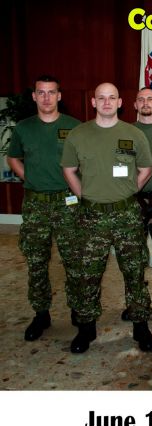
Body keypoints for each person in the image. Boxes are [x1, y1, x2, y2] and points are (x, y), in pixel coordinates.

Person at [61, 82, 152, 353]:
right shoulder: (79, 134)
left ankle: (140, 324)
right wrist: (83, 195)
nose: (106, 102)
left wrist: (129, 191)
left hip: (126, 215)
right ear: (93, 102)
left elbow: (146, 168)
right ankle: (86, 327)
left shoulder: (134, 134)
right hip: (91, 216)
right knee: (88, 274)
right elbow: (69, 169)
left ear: (120, 102)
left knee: (134, 271)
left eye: (111, 97)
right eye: (101, 98)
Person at [7, 75, 81, 341]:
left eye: (51, 92)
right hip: (35, 204)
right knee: (36, 261)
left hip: (67, 203)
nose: (46, 97)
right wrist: (29, 177)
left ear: (59, 96)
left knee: (73, 259)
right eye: (41, 92)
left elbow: (85, 161)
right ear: (34, 96)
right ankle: (41, 313)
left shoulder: (74, 126)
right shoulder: (24, 128)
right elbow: (13, 157)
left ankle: (78, 309)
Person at [118, 87, 152, 324]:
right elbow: (119, 164)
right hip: (133, 198)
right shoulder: (125, 132)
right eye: (141, 99)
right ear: (135, 105)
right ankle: (137, 304)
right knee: (133, 255)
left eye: (150, 99)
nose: (146, 103)